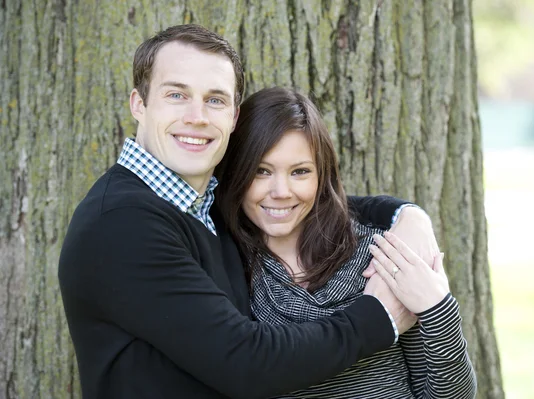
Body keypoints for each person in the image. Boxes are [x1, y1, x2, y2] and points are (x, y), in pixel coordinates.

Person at [58, 24, 437, 399]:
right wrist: (379, 317)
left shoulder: (200, 202)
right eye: (176, 95)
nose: (197, 116)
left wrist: (407, 217)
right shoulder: (122, 225)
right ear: (139, 104)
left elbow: (301, 202)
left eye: (215, 99)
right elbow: (247, 363)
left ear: (234, 117)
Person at [215, 87, 477, 398]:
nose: (281, 191)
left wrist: (438, 308)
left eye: (300, 172)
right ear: (236, 174)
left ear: (321, 176)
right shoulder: (225, 267)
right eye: (261, 171)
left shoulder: (379, 254)